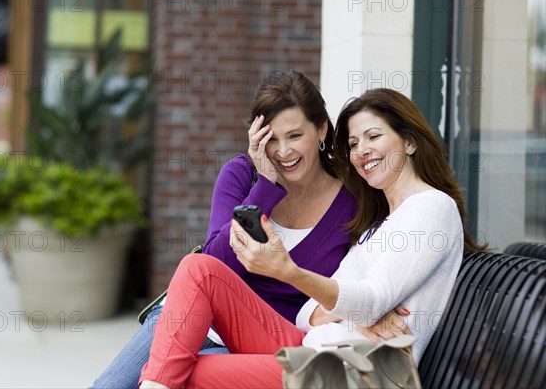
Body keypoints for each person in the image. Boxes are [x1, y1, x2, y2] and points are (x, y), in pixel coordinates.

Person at [138, 88, 487, 389]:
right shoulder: (379, 226)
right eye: (353, 143)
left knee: (182, 372)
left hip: (350, 373)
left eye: (374, 136)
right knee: (199, 268)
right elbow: (308, 313)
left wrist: (289, 272)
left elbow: (367, 300)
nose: (362, 150)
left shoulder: (431, 207)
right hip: (312, 348)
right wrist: (353, 311)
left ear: (409, 141)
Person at [92, 70, 376, 388]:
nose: (283, 152)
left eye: (295, 136)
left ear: (321, 129)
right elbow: (213, 261)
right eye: (271, 139)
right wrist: (265, 187)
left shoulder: (354, 201)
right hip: (190, 315)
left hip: (261, 343)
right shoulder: (242, 176)